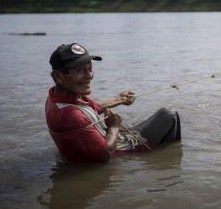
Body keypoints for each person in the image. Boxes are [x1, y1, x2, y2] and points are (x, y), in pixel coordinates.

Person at [45, 43, 181, 163]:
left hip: (91, 147)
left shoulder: (56, 96)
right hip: (120, 150)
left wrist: (119, 99)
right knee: (169, 116)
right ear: (58, 76)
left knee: (161, 117)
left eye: (89, 68)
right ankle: (167, 166)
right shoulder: (71, 116)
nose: (89, 75)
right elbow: (106, 154)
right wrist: (114, 127)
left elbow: (92, 105)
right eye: (80, 70)